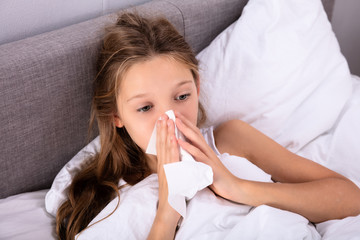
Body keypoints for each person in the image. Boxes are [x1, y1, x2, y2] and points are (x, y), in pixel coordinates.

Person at [56, 12, 360, 240]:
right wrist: (168, 208)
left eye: (182, 96)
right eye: (146, 107)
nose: (170, 118)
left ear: (197, 87)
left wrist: (238, 187)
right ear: (115, 116)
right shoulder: (103, 195)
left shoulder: (229, 139)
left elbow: (348, 196)